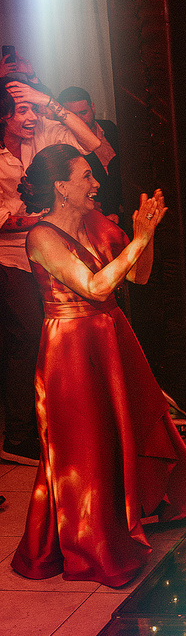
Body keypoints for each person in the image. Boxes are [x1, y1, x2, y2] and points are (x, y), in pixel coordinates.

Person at [10, 144, 186, 586]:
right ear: (62, 187)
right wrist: (138, 239)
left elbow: (138, 275)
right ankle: (92, 542)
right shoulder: (41, 237)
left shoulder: (95, 223)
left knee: (131, 424)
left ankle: (143, 509)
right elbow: (95, 287)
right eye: (86, 176)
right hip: (70, 349)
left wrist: (148, 234)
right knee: (84, 445)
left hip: (111, 335)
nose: (95, 183)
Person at [1, 79, 101, 468]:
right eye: (21, 110)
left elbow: (90, 143)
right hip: (11, 258)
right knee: (28, 338)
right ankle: (17, 436)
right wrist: (40, 217)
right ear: (3, 117)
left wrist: (49, 104)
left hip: (51, 250)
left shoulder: (44, 131)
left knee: (56, 337)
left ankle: (57, 425)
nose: (31, 116)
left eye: (33, 107)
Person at [57, 87, 120, 217]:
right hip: (98, 212)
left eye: (83, 112)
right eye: (73, 115)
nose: (80, 119)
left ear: (93, 107)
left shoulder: (109, 127)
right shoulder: (65, 144)